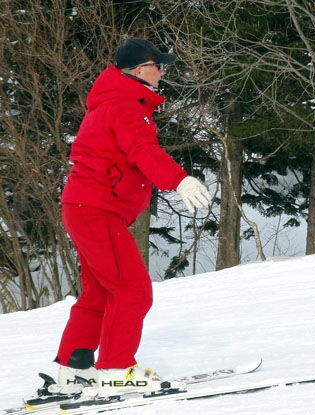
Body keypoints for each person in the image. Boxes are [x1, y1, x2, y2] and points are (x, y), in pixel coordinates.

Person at [51, 38, 211, 398]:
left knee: (99, 294)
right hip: (97, 209)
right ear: (141, 70)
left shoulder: (114, 99)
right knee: (133, 290)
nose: (163, 72)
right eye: (160, 66)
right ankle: (115, 370)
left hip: (85, 208)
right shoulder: (125, 103)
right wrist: (179, 180)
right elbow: (142, 150)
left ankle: (74, 372)